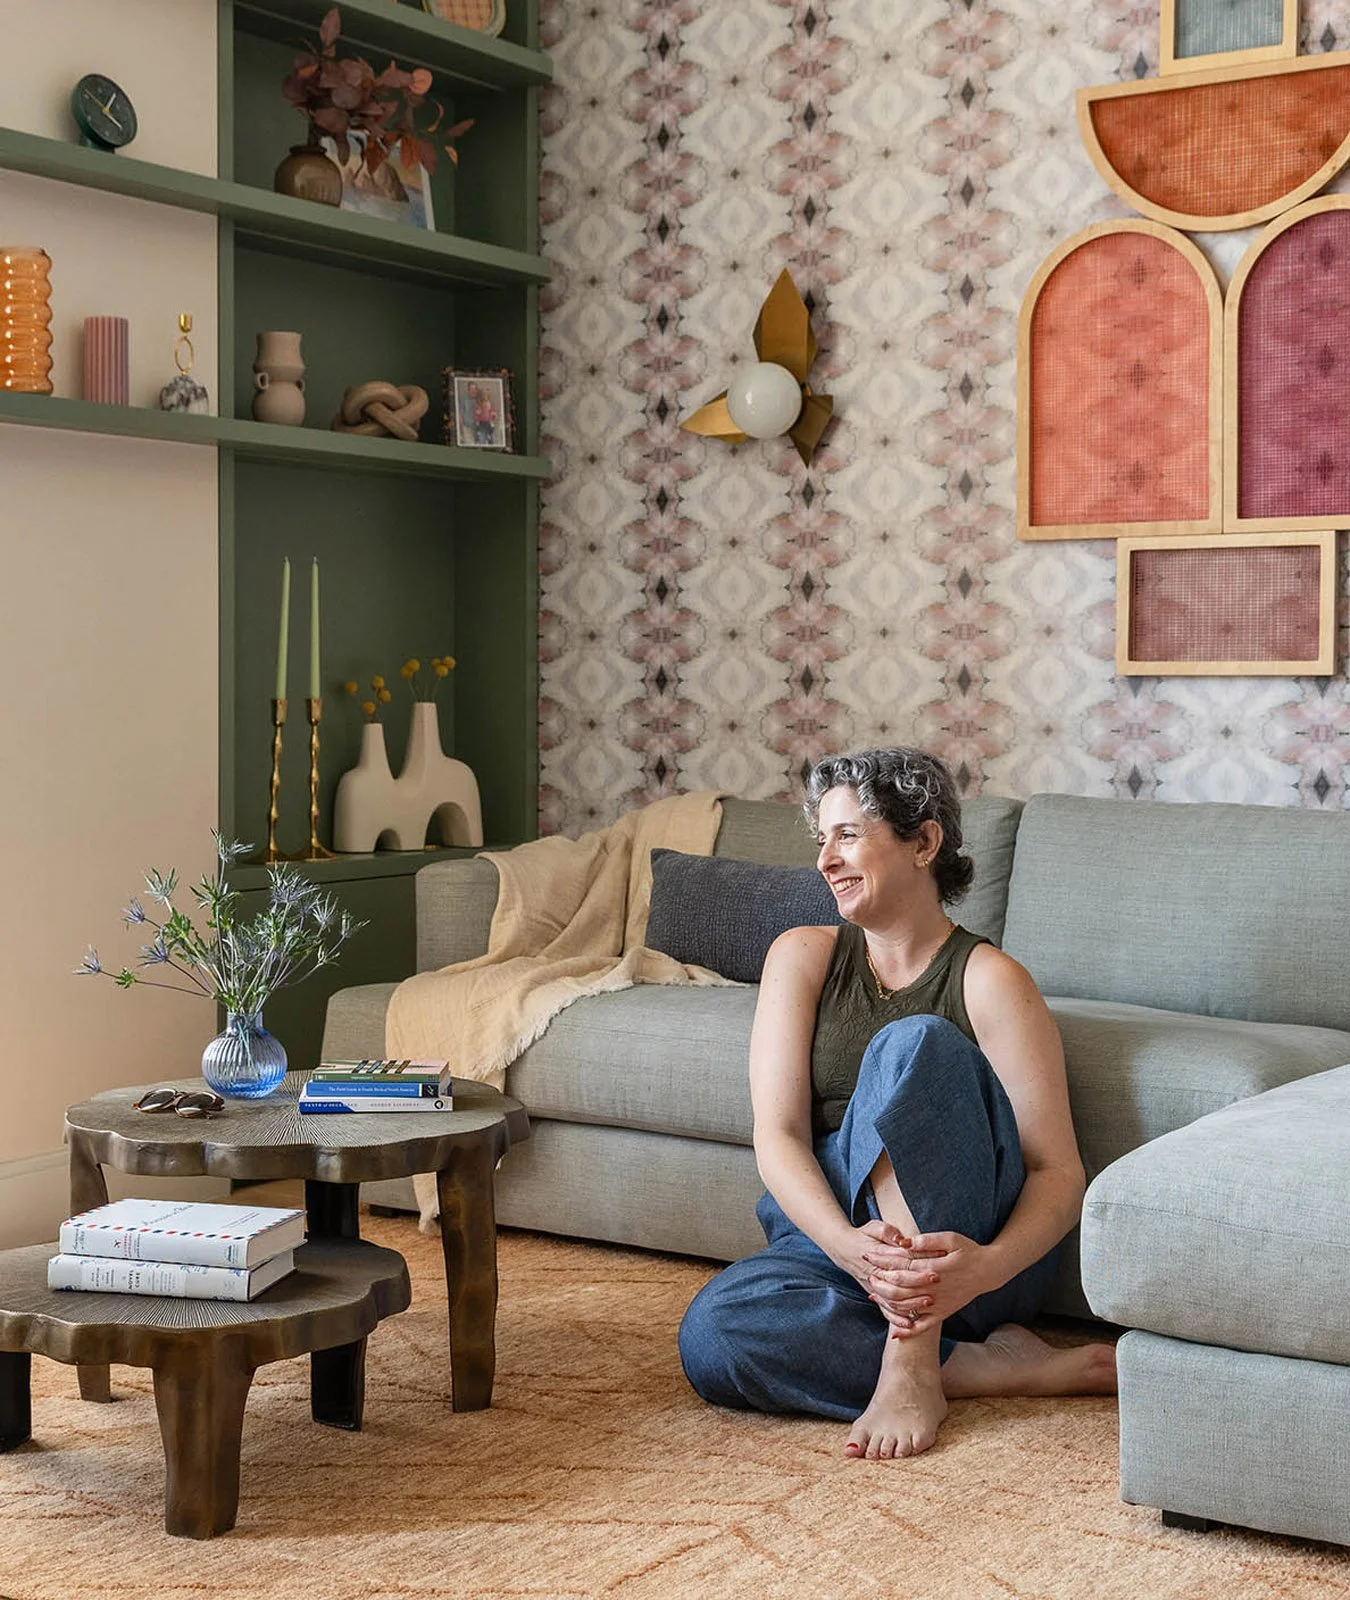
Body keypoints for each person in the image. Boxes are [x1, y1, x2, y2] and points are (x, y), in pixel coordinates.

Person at [678, 747, 1117, 1459]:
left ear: (924, 841)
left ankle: (912, 1360)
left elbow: (1057, 1174)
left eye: (848, 835)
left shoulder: (990, 979)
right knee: (714, 1335)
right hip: (839, 1244)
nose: (825, 860)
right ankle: (974, 1369)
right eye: (821, 839)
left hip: (966, 1260)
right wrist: (847, 1248)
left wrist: (987, 1267)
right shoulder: (802, 955)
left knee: (911, 1043)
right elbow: (779, 1135)